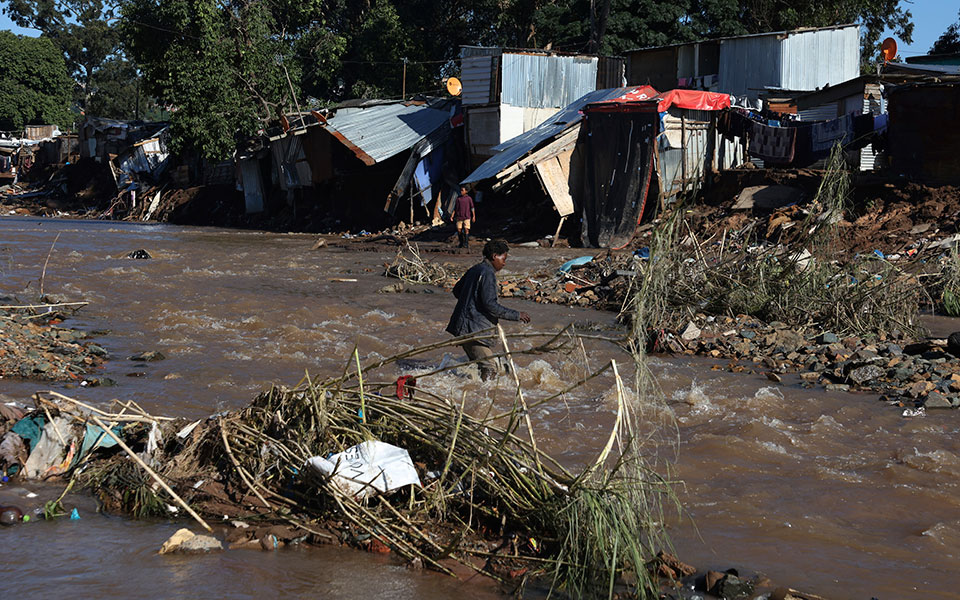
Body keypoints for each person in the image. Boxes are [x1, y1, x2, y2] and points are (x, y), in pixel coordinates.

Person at [446, 239, 531, 380]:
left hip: (464, 328)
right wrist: (517, 315)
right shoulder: (487, 274)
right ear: (494, 256)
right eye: (503, 259)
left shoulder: (475, 269)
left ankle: (473, 392)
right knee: (490, 368)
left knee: (480, 365)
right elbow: (490, 305)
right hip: (473, 331)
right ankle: (487, 398)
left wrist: (471, 301)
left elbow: (457, 291)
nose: (504, 263)